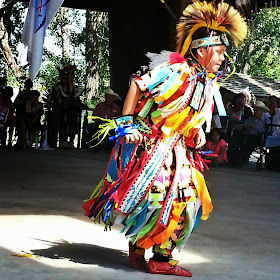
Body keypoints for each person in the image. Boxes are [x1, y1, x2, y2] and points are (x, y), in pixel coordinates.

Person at [83, 1, 247, 277]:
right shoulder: (178, 70)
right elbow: (138, 83)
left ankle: (138, 249)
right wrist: (126, 123)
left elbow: (189, 119)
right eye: (218, 52)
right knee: (179, 201)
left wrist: (196, 135)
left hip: (176, 150)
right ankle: (160, 258)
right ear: (202, 50)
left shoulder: (205, 83)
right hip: (155, 147)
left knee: (162, 199)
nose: (222, 58)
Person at [14, 79, 33, 149]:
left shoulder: (31, 94)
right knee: (19, 128)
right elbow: (16, 102)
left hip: (27, 114)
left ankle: (24, 142)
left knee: (23, 127)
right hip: (20, 112)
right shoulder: (21, 93)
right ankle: (19, 141)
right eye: (26, 84)